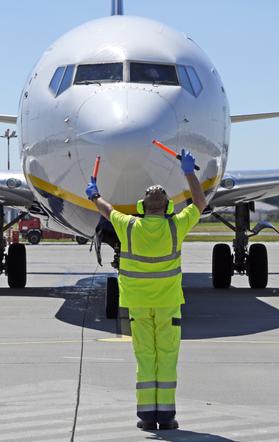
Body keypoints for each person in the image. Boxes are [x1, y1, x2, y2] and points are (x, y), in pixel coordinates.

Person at [85, 149, 207, 431]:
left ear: (141, 206)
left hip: (137, 305)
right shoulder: (176, 226)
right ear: (167, 208)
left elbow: (108, 210)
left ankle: (146, 417)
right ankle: (166, 417)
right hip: (168, 304)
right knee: (166, 358)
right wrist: (189, 172)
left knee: (145, 358)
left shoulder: (129, 227)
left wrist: (93, 195)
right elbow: (200, 202)